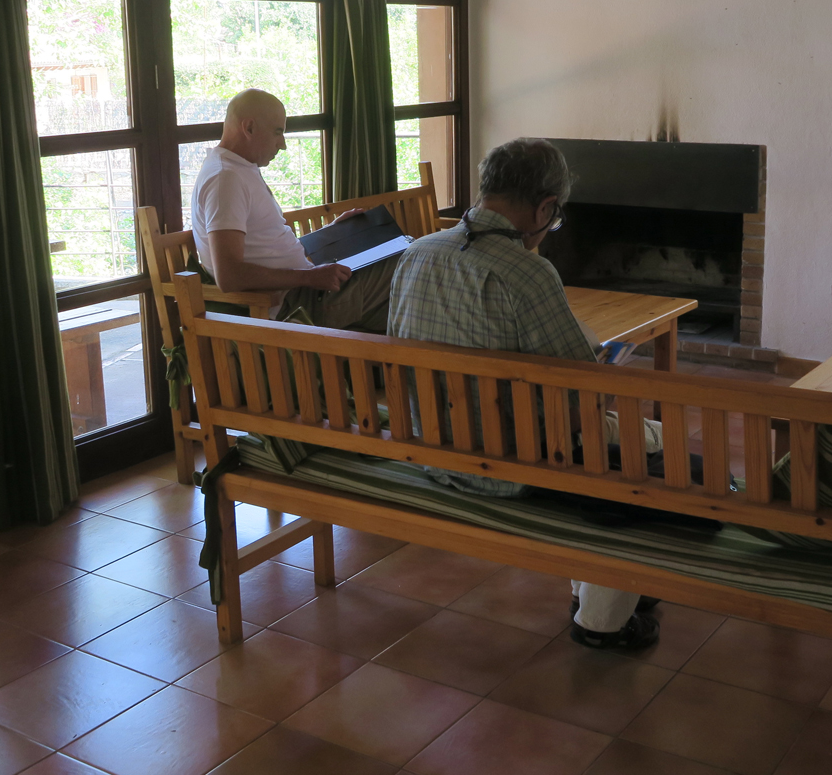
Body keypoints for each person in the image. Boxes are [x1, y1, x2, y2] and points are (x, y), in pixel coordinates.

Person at [389, 138, 702, 650]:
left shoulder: (416, 255)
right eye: (554, 221)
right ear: (545, 207)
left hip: (431, 447)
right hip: (511, 465)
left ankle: (612, 590)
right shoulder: (528, 273)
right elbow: (584, 400)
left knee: (626, 451)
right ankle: (602, 617)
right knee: (653, 457)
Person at [189, 88, 397, 332]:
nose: (283, 145)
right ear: (249, 128)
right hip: (292, 307)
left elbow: (264, 246)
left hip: (303, 293)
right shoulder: (226, 179)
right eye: (278, 133)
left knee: (401, 310)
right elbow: (229, 275)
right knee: (409, 262)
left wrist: (333, 232)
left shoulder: (238, 169)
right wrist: (309, 277)